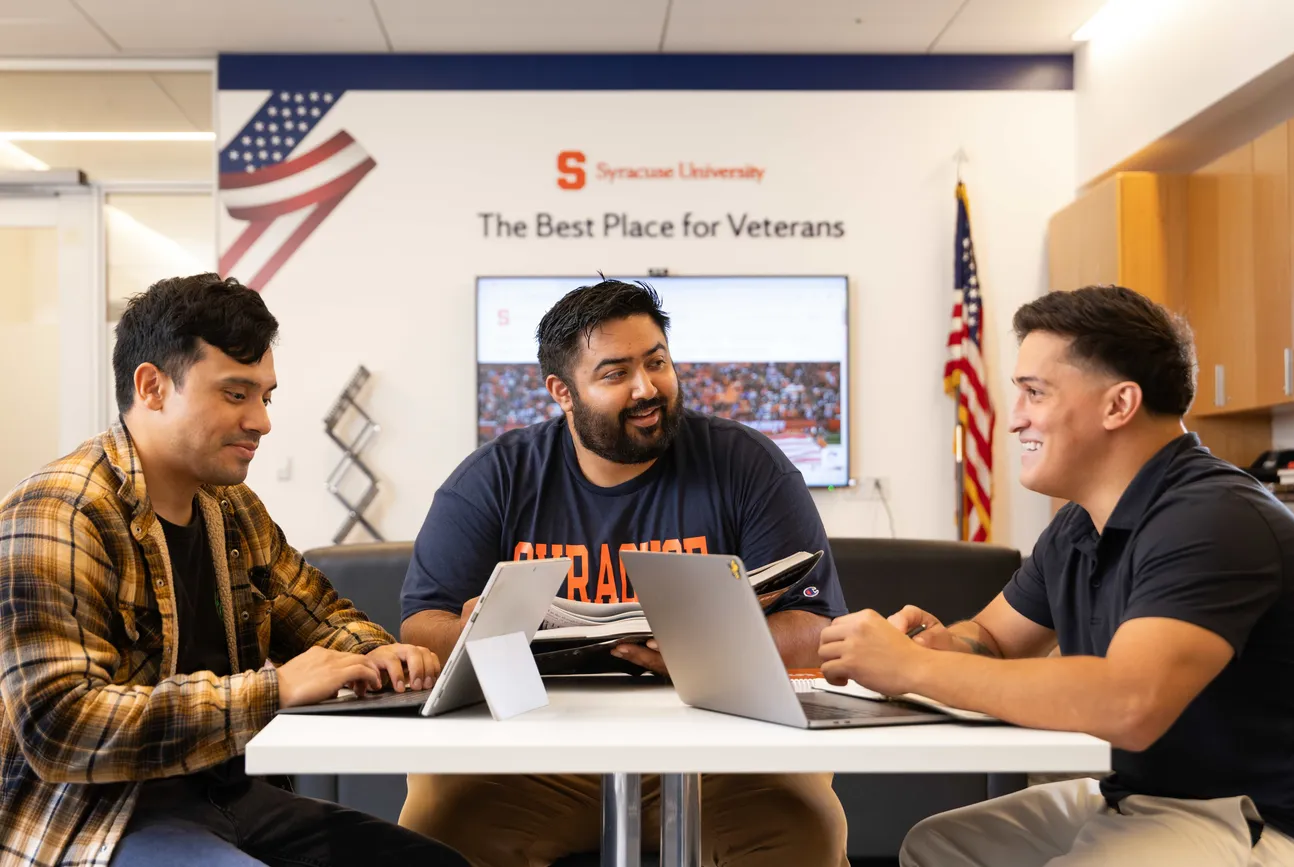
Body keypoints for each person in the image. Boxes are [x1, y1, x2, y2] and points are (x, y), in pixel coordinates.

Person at [818, 285, 1294, 866]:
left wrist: (914, 666)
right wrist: (944, 643)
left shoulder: (1214, 520)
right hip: (1144, 798)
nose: (1014, 419)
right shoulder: (1079, 525)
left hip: (1251, 819)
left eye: (1034, 393)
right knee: (938, 845)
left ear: (1118, 405)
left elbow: (1129, 705)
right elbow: (994, 640)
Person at [0, 274, 468, 867]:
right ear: (152, 387)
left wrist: (377, 655)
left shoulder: (230, 507)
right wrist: (275, 690)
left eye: (264, 397)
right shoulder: (60, 512)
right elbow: (60, 727)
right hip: (95, 820)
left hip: (228, 796)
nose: (262, 421)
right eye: (235, 394)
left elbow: (321, 616)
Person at [399, 279, 851, 867]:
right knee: (437, 825)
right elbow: (420, 626)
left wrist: (708, 649)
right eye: (616, 374)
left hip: (724, 750)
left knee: (804, 832)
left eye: (657, 362)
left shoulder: (747, 464)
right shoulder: (493, 478)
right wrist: (475, 636)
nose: (647, 388)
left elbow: (816, 627)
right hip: (538, 754)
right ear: (563, 391)